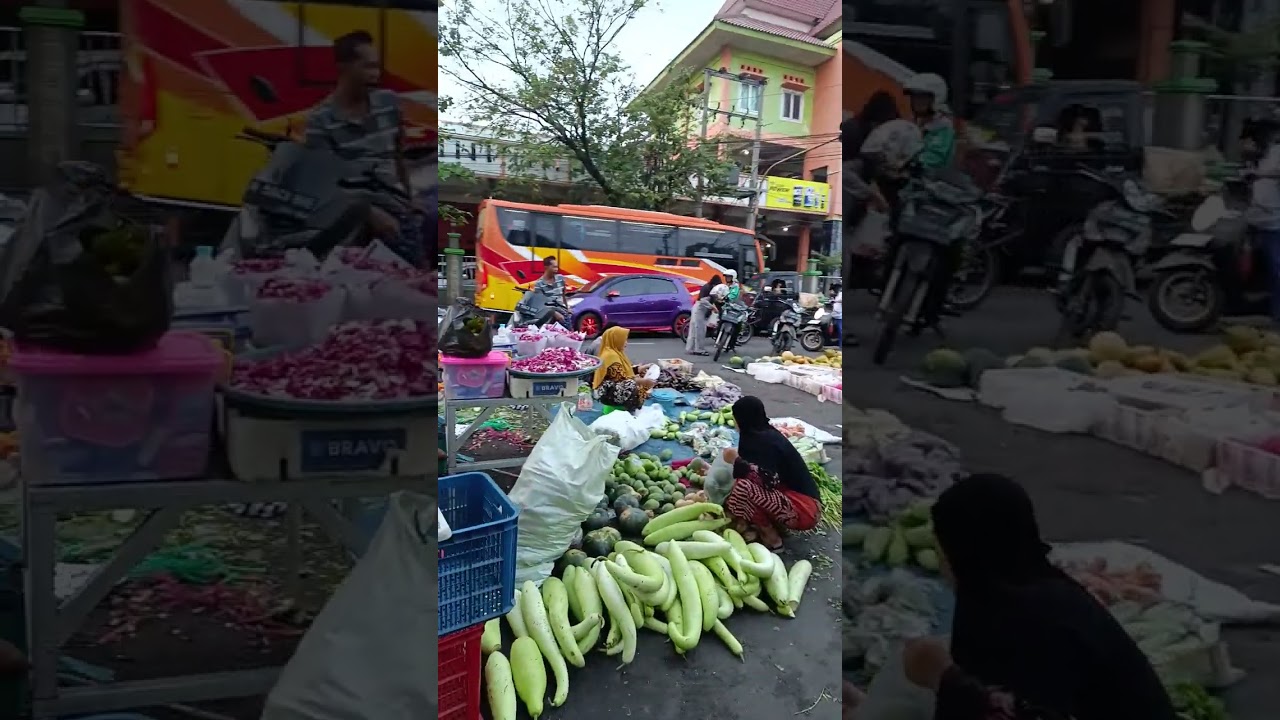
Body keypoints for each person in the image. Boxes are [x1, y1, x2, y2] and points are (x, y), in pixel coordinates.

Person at [900, 474, 1178, 720]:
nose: (943, 566)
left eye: (943, 554)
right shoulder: (1037, 593)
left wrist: (942, 677)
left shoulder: (1027, 625)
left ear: (963, 558)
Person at [305, 30, 424, 266]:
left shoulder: (389, 103)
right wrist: (369, 213)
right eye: (368, 67)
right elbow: (323, 184)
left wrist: (411, 199)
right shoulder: (321, 120)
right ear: (343, 68)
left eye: (377, 67)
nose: (375, 75)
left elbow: (398, 156)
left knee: (413, 273)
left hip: (395, 208)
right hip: (352, 216)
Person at [722, 397, 820, 550]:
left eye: (735, 418)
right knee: (742, 485)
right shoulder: (762, 434)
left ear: (741, 419)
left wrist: (736, 461)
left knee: (743, 487)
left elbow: (768, 480)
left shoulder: (762, 441)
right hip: (798, 501)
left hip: (805, 510)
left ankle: (773, 539)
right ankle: (776, 526)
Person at [1243, 117, 1280, 325]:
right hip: (1253, 220)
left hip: (1273, 222)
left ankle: (1277, 313)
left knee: (1276, 268)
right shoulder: (1256, 157)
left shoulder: (1276, 153)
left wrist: (1258, 174)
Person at [592, 326, 654, 413]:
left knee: (638, 379)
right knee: (632, 385)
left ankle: (631, 405)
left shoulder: (614, 352)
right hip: (606, 393)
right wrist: (644, 381)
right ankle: (631, 408)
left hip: (612, 387)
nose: (626, 343)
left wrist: (640, 368)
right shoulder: (610, 355)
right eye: (624, 340)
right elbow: (621, 378)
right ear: (616, 340)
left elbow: (624, 370)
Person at [903, 72, 957, 171]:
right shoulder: (913, 123)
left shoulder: (943, 127)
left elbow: (935, 157)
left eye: (923, 97)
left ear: (936, 98)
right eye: (914, 97)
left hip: (931, 178)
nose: (917, 101)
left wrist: (909, 160)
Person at [687, 273, 723, 356]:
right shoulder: (707, 288)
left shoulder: (710, 288)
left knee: (694, 330)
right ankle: (699, 349)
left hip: (699, 309)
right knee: (700, 330)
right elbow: (703, 301)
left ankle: (691, 349)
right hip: (699, 309)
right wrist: (712, 307)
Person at [532, 256, 569, 324]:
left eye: (557, 267)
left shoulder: (560, 278)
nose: (556, 269)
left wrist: (567, 308)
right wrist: (554, 313)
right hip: (549, 314)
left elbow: (564, 295)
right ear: (546, 267)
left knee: (568, 329)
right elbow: (539, 304)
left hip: (562, 311)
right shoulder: (539, 284)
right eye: (554, 267)